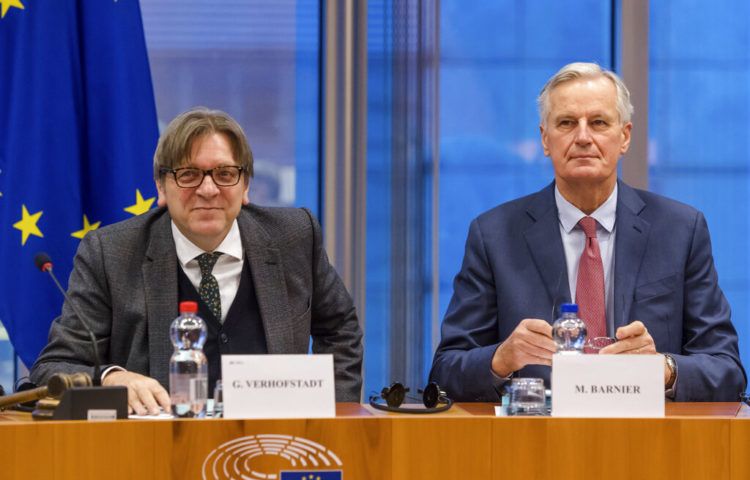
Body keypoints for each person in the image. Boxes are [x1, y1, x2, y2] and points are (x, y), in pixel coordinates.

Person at [430, 62, 746, 402]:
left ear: (624, 137)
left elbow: (726, 370)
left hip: (650, 444)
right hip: (534, 443)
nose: (583, 137)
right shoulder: (494, 235)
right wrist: (500, 359)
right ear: (545, 139)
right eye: (567, 123)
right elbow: (445, 371)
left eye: (598, 122)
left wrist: (662, 368)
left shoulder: (681, 230)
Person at [30, 108, 363, 413]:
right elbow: (55, 366)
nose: (208, 189)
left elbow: (339, 328)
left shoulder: (294, 237)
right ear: (161, 187)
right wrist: (113, 378)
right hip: (154, 454)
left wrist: (334, 417)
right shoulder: (111, 253)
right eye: (188, 175)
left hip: (273, 443)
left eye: (224, 173)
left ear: (245, 185)